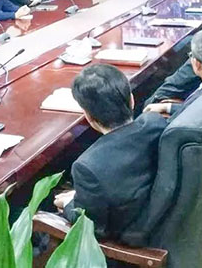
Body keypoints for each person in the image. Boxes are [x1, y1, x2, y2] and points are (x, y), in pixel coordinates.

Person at [53, 65, 167, 243]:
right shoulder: (155, 123)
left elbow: (93, 229)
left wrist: (69, 204)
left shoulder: (88, 166)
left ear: (88, 116)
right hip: (159, 216)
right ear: (131, 100)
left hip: (130, 241)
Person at [144, 29, 202, 119]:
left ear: (197, 64)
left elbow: (191, 111)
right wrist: (167, 107)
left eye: (191, 55)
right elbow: (189, 108)